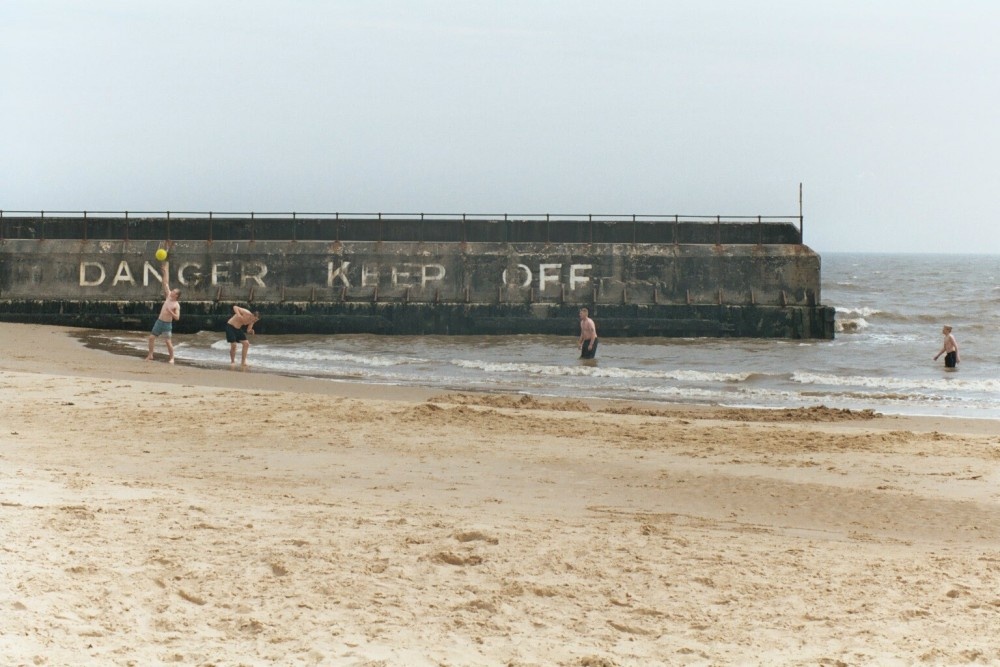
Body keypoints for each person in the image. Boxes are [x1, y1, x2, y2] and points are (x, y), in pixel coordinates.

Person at [145, 261, 180, 363]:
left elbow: (177, 318)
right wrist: (165, 272)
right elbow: (165, 283)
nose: (171, 292)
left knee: (168, 342)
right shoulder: (168, 297)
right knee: (151, 338)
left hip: (167, 324)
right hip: (159, 321)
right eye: (172, 291)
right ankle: (150, 355)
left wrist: (170, 312)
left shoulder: (176, 305)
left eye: (174, 292)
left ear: (176, 295)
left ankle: (172, 358)